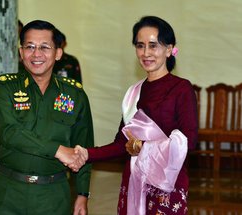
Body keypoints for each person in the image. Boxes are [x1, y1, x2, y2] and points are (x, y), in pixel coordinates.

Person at [74, 16, 198, 214]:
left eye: (153, 45)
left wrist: (143, 147)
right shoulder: (134, 92)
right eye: (140, 46)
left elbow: (189, 141)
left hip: (167, 185)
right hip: (134, 181)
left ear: (168, 49)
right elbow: (121, 144)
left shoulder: (181, 89)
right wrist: (87, 154)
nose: (146, 53)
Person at [0, 20, 94, 215]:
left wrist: (82, 193)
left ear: (58, 53)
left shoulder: (74, 94)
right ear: (21, 53)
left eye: (45, 47)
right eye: (30, 47)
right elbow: (9, 133)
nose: (36, 54)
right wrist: (58, 150)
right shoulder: (5, 87)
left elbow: (83, 144)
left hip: (54, 194)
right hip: (9, 193)